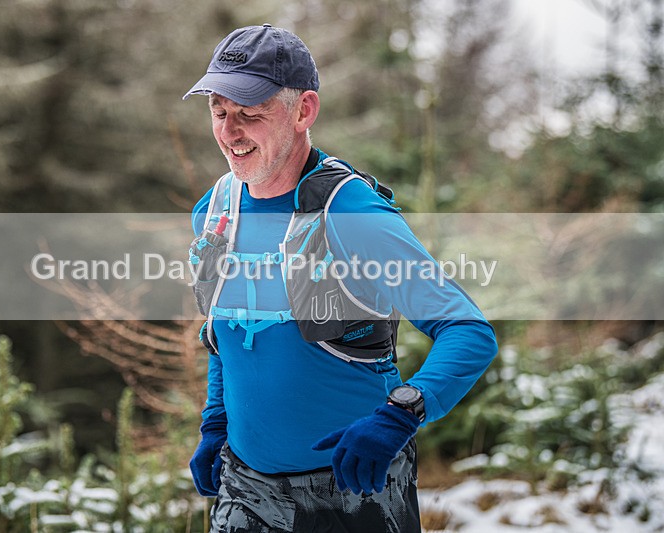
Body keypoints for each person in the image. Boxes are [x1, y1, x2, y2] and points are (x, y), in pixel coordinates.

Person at [182, 24, 498, 532]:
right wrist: (216, 422)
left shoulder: (351, 213)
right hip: (246, 490)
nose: (229, 131)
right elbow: (226, 336)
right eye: (219, 112)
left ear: (304, 110)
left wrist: (399, 417)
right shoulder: (217, 211)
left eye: (250, 113)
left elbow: (468, 331)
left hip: (354, 489)